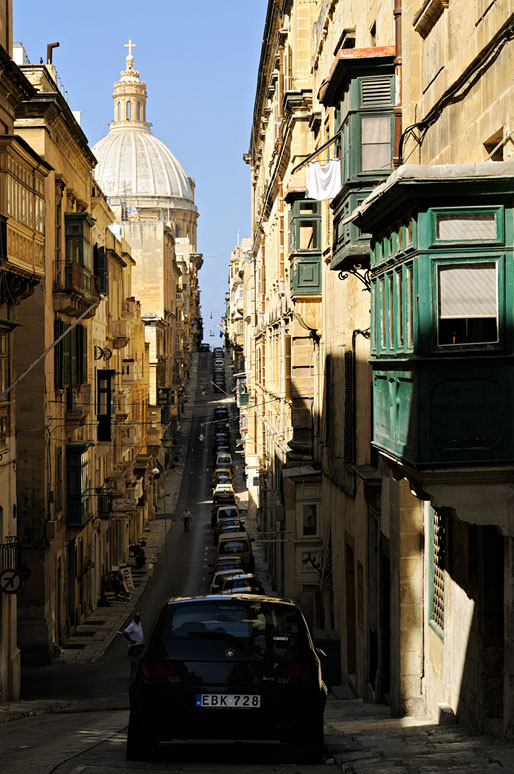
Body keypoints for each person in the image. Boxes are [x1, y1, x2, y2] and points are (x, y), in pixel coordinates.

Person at [120, 611, 144, 677]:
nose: (138, 618)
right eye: (137, 617)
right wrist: (131, 640)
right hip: (134, 646)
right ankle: (132, 673)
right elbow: (125, 633)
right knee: (133, 660)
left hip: (139, 645)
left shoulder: (139, 623)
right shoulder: (132, 625)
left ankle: (136, 672)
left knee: (137, 659)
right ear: (134, 618)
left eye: (139, 617)